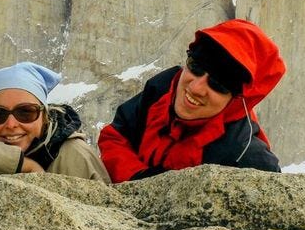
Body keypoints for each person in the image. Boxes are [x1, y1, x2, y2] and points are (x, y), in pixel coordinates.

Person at [97, 19, 284, 183]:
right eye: (195, 67)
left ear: (236, 100)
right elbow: (115, 135)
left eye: (218, 85)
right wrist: (139, 179)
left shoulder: (246, 157)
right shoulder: (163, 88)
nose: (195, 88)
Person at [0, 61, 111, 182]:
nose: (11, 125)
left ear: (44, 114)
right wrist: (25, 165)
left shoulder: (73, 155)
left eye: (25, 112)